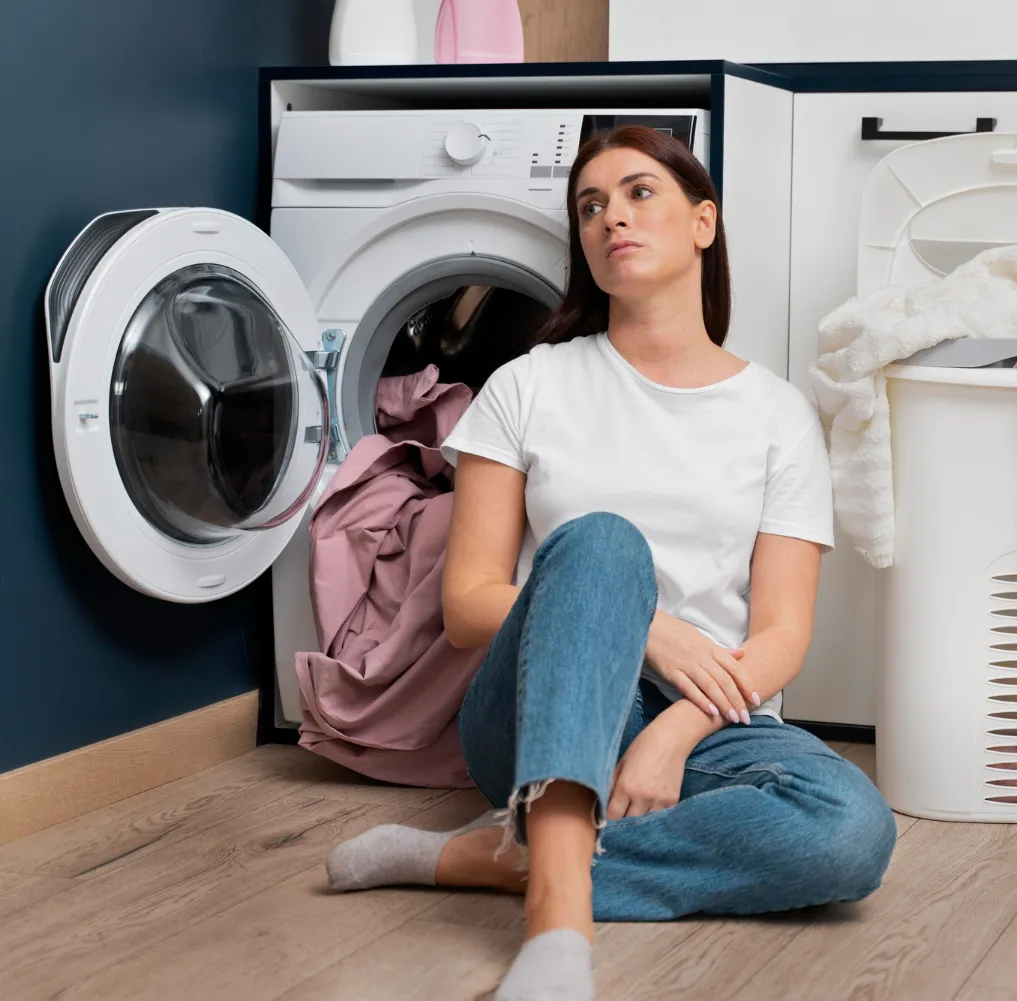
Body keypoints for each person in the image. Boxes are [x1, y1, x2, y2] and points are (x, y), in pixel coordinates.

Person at [322, 125, 897, 1001]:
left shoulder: (776, 414)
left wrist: (674, 732)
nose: (610, 219)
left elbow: (780, 637)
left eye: (637, 194)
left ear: (703, 222)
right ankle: (558, 925)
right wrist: (652, 629)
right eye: (590, 206)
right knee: (600, 543)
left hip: (708, 719)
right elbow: (471, 603)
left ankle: (484, 855)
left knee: (850, 831)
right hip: (534, 705)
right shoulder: (531, 383)